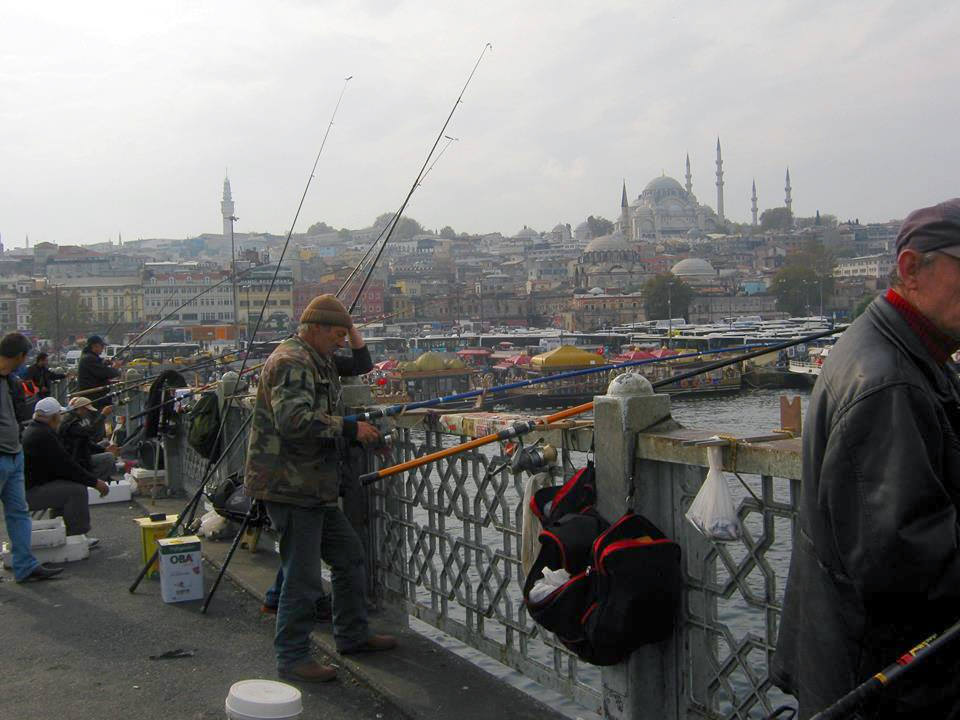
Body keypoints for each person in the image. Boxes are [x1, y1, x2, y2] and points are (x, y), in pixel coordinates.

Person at [772, 199, 960, 718]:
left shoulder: (897, 349)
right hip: (883, 684)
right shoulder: (887, 381)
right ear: (911, 270)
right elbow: (907, 562)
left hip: (849, 663)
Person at [245, 294, 396, 683]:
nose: (342, 342)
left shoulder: (316, 358)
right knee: (303, 576)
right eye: (337, 334)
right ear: (315, 329)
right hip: (290, 485)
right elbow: (294, 420)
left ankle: (352, 634)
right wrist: (349, 428)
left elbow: (332, 400)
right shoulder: (292, 362)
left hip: (314, 484)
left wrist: (362, 433)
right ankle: (292, 657)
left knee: (349, 557)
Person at [0, 334, 62, 582]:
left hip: (14, 454)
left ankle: (25, 566)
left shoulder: (10, 381)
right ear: (20, 356)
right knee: (17, 513)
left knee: (19, 513)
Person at [23, 396, 109, 545]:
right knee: (77, 490)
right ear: (54, 417)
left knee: (66, 486)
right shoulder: (44, 435)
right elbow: (67, 466)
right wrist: (95, 482)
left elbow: (63, 465)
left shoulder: (35, 430)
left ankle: (62, 529)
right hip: (30, 494)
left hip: (28, 488)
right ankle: (75, 536)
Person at [59, 397, 119, 483]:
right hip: (77, 458)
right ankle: (95, 480)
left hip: (82, 451)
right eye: (87, 410)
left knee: (105, 443)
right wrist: (103, 415)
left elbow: (87, 441)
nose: (88, 413)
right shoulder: (71, 423)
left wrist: (104, 449)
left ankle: (108, 475)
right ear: (81, 409)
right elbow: (89, 432)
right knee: (109, 457)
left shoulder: (77, 419)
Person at [76, 335, 120, 410]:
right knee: (96, 419)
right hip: (93, 399)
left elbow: (97, 372)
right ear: (94, 346)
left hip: (93, 397)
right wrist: (115, 368)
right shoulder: (89, 359)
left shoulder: (88, 357)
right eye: (102, 346)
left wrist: (104, 363)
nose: (103, 349)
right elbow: (106, 373)